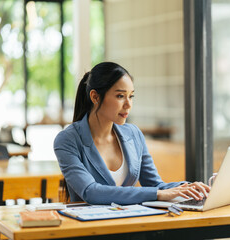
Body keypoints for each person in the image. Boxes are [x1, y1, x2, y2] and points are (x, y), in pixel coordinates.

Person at [54, 62, 210, 205]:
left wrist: (187, 187)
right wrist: (158, 193)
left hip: (129, 223)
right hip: (91, 229)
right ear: (95, 97)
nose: (128, 105)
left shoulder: (133, 134)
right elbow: (91, 192)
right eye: (120, 96)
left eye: (131, 96)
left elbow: (155, 185)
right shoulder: (67, 140)